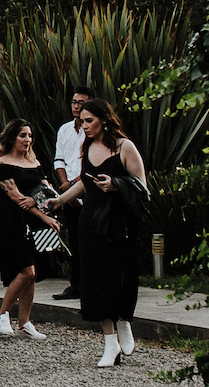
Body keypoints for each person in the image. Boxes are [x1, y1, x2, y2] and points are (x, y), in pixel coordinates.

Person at [51, 99, 148, 367]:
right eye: (82, 121)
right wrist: (59, 200)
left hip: (120, 225)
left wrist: (116, 184)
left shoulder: (124, 147)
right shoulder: (88, 146)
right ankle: (109, 343)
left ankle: (124, 321)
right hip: (90, 222)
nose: (84, 126)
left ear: (105, 119)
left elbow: (142, 186)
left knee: (121, 278)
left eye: (89, 121)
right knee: (94, 282)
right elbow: (84, 182)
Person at [0, 118, 59, 341]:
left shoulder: (35, 163)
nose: (27, 140)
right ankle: (2, 314)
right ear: (11, 137)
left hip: (34, 222)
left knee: (33, 273)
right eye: (22, 135)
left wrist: (40, 205)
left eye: (29, 136)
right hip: (13, 222)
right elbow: (17, 198)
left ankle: (24, 322)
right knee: (25, 271)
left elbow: (46, 191)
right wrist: (40, 212)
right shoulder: (2, 164)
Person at [52, 87, 93, 300]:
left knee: (90, 240)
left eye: (82, 102)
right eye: (74, 102)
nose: (76, 106)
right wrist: (66, 186)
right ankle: (76, 285)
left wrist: (77, 185)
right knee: (75, 240)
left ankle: (91, 285)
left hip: (89, 191)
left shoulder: (93, 130)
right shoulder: (65, 130)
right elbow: (59, 159)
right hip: (68, 192)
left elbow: (92, 164)